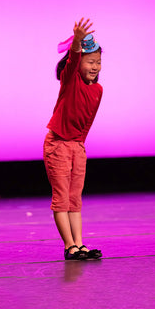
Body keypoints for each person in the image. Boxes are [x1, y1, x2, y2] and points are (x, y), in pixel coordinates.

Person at [44, 18, 103, 260]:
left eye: (98, 62)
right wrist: (77, 42)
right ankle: (69, 246)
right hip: (58, 145)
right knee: (61, 198)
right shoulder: (70, 81)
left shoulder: (98, 90)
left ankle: (80, 244)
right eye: (90, 62)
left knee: (74, 199)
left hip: (78, 147)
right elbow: (71, 63)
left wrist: (78, 147)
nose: (95, 66)